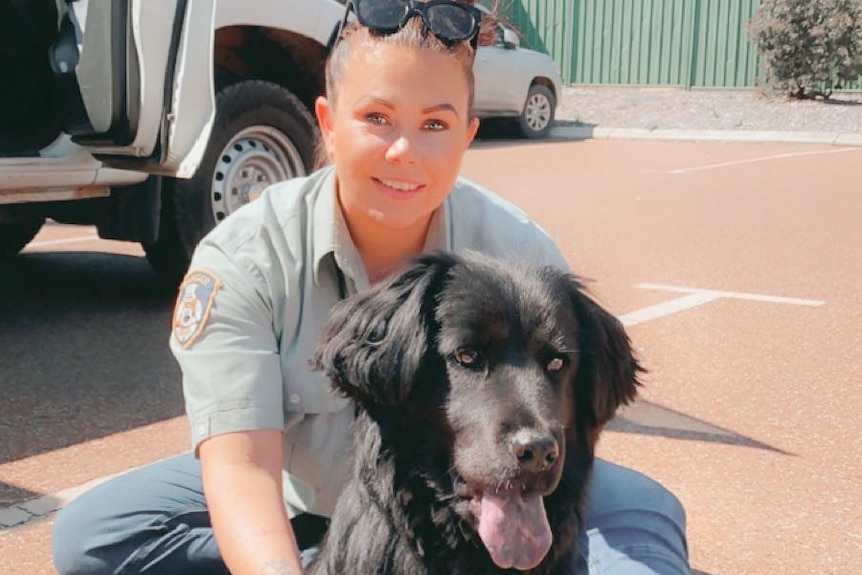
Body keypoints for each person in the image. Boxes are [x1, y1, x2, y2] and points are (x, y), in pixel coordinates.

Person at [52, 1, 691, 574]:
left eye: (436, 125)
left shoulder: (519, 254)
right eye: (378, 117)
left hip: (498, 480)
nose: (404, 151)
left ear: (468, 135)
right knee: (96, 535)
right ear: (328, 123)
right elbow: (242, 465)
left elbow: (576, 419)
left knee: (643, 515)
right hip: (302, 492)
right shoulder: (245, 258)